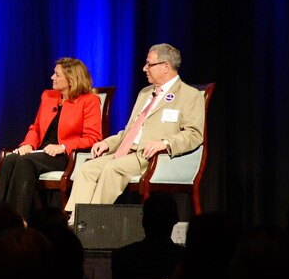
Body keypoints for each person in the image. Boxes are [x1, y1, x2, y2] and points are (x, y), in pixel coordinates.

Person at [64, 44, 204, 211]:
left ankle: (92, 224)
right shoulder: (145, 93)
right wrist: (108, 143)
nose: (144, 68)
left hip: (150, 156)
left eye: (149, 64)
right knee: (88, 168)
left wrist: (165, 143)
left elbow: (194, 135)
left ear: (166, 67)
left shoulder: (189, 95)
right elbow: (130, 130)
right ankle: (73, 221)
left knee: (112, 169)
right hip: (126, 151)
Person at [0, 57, 102, 222]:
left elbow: (93, 138)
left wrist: (64, 146)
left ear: (71, 79)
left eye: (57, 75)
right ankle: (0, 218)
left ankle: (21, 220)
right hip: (41, 152)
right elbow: (36, 128)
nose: (52, 77)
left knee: (25, 162)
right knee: (10, 160)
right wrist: (28, 144)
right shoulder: (48, 96)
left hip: (66, 156)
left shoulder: (89, 101)